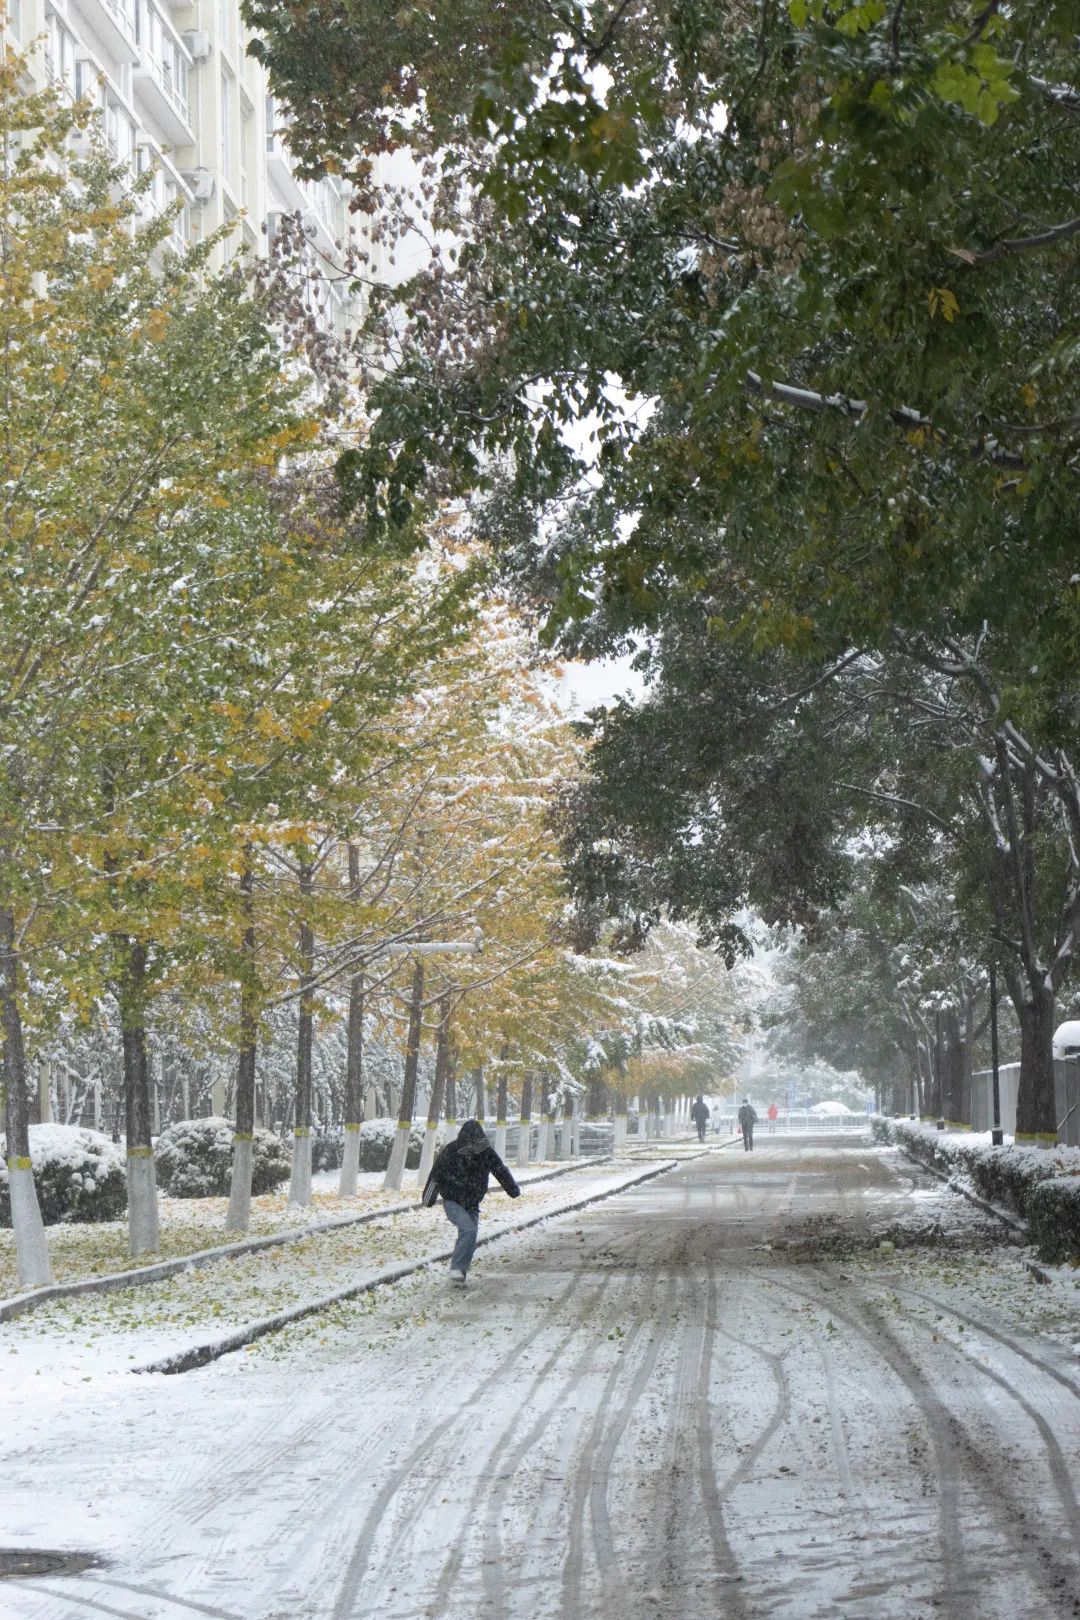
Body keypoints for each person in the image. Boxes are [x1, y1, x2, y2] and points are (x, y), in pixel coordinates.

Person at [429, 1117, 520, 1285]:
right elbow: (436, 1175)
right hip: (452, 1200)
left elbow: (500, 1170)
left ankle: (460, 1273)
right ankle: (456, 1268)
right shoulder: (451, 1151)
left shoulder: (486, 1152)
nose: (475, 1149)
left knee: (470, 1236)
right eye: (472, 1145)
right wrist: (428, 1198)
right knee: (468, 1230)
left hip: (472, 1202)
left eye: (478, 1144)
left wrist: (512, 1189)